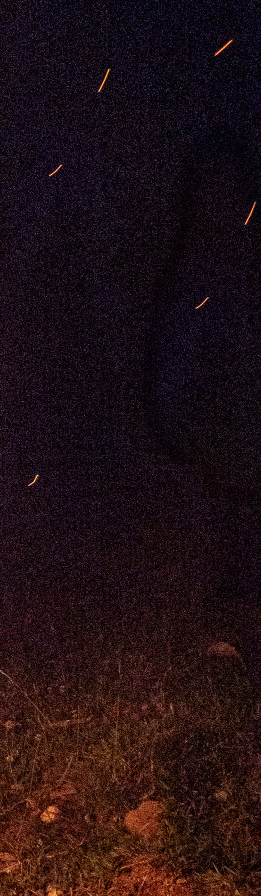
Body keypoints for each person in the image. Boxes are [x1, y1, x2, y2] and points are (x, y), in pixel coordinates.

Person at [150, 129, 261, 672]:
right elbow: (179, 348)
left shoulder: (241, 262)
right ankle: (217, 629)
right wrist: (178, 423)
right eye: (211, 194)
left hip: (237, 412)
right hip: (210, 419)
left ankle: (230, 622)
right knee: (217, 520)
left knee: (239, 520)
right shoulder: (196, 268)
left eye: (230, 193)